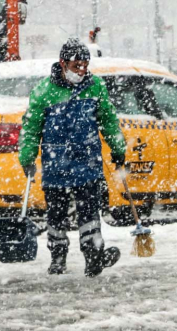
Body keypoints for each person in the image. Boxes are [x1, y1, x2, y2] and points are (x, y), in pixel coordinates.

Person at [18, 39, 128, 276]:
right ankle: (58, 257)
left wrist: (118, 147)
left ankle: (94, 256)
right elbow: (31, 127)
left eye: (84, 65)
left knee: (89, 211)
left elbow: (108, 120)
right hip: (55, 162)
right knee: (56, 213)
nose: (81, 71)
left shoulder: (95, 86)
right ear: (62, 63)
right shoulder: (44, 91)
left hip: (87, 160)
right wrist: (27, 157)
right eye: (76, 65)